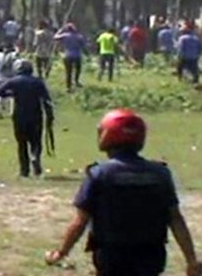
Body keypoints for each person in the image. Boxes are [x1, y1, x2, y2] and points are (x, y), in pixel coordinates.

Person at [45, 109, 202, 276]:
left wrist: (61, 252)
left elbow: (80, 222)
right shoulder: (160, 174)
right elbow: (175, 219)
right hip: (151, 257)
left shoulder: (100, 174)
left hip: (111, 257)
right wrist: (191, 260)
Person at [0, 60, 54, 177]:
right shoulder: (38, 82)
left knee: (22, 144)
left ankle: (24, 170)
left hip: (19, 116)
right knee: (36, 142)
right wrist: (50, 116)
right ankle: (35, 157)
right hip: (36, 116)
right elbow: (47, 100)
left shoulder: (14, 81)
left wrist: (12, 94)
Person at [54, 23, 86, 91]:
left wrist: (60, 31)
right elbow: (84, 45)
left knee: (68, 72)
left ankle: (68, 86)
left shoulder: (65, 35)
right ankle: (76, 81)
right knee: (78, 70)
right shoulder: (79, 36)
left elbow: (55, 37)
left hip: (68, 55)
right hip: (77, 55)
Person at [0, 46, 17, 119]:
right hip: (10, 78)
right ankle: (12, 112)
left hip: (0, 78)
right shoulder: (13, 59)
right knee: (12, 97)